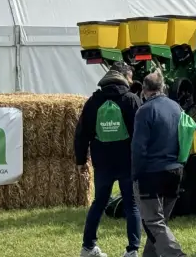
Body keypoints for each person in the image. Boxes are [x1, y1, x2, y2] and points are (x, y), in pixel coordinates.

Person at [75, 61, 143, 257]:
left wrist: (81, 160)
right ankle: (132, 251)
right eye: (130, 77)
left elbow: (81, 134)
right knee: (132, 205)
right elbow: (140, 134)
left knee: (99, 203)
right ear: (124, 77)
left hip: (102, 162)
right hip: (127, 162)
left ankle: (88, 247)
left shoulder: (93, 102)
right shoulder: (131, 100)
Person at [131, 71, 187, 257]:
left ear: (144, 90)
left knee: (154, 223)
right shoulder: (176, 107)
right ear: (163, 87)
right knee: (159, 225)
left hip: (151, 173)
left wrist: (135, 174)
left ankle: (177, 255)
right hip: (175, 171)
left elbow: (139, 147)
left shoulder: (145, 110)